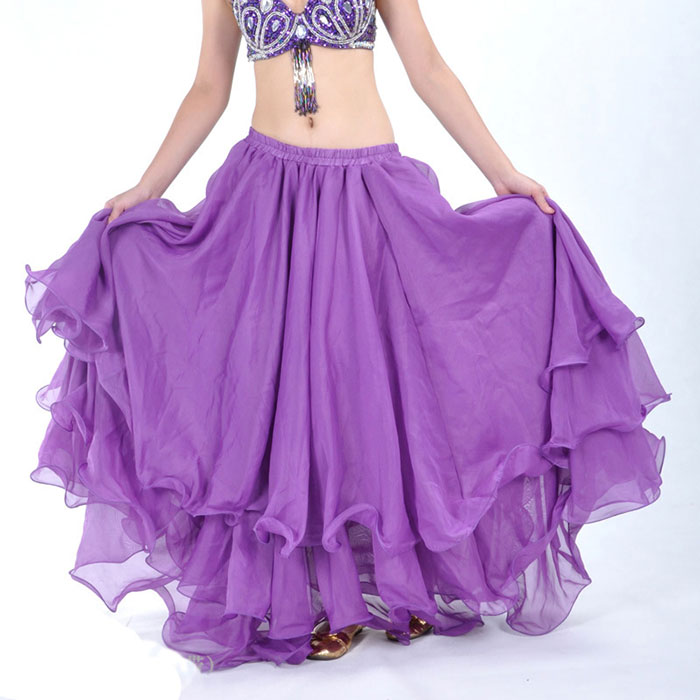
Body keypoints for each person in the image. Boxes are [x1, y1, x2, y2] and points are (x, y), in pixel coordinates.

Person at [23, 0, 671, 673]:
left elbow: (428, 67)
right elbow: (209, 87)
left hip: (366, 194)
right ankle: (330, 601)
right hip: (268, 200)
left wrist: (501, 173)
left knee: (370, 393)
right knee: (289, 402)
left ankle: (398, 585)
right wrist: (146, 187)